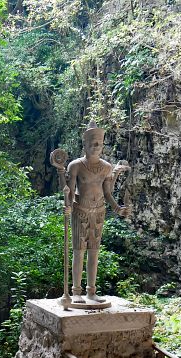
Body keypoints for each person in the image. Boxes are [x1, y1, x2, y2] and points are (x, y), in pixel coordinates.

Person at [60, 121, 130, 303]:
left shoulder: (106, 167)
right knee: (79, 251)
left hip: (99, 211)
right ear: (85, 144)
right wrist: (68, 205)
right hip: (80, 210)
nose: (96, 146)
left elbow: (107, 193)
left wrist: (117, 208)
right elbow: (69, 191)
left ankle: (91, 291)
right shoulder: (75, 165)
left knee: (94, 251)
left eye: (99, 143)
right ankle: (76, 292)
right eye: (93, 143)